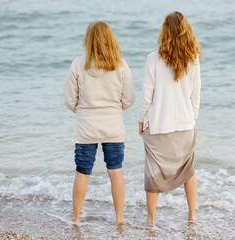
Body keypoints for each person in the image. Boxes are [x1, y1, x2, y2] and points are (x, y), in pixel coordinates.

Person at [64, 21, 135, 223]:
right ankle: (119, 218)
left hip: (85, 128)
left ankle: (76, 218)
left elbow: (69, 100)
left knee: (82, 172)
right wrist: (113, 110)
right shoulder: (120, 64)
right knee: (115, 172)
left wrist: (84, 111)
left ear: (89, 40)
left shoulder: (78, 64)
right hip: (113, 127)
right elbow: (129, 98)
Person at [138, 11, 201, 224]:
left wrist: (141, 120)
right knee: (188, 171)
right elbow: (196, 96)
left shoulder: (153, 58)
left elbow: (147, 94)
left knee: (153, 174)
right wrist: (191, 120)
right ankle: (192, 215)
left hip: (159, 125)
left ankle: (151, 219)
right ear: (186, 31)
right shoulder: (192, 59)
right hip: (185, 125)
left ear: (164, 31)